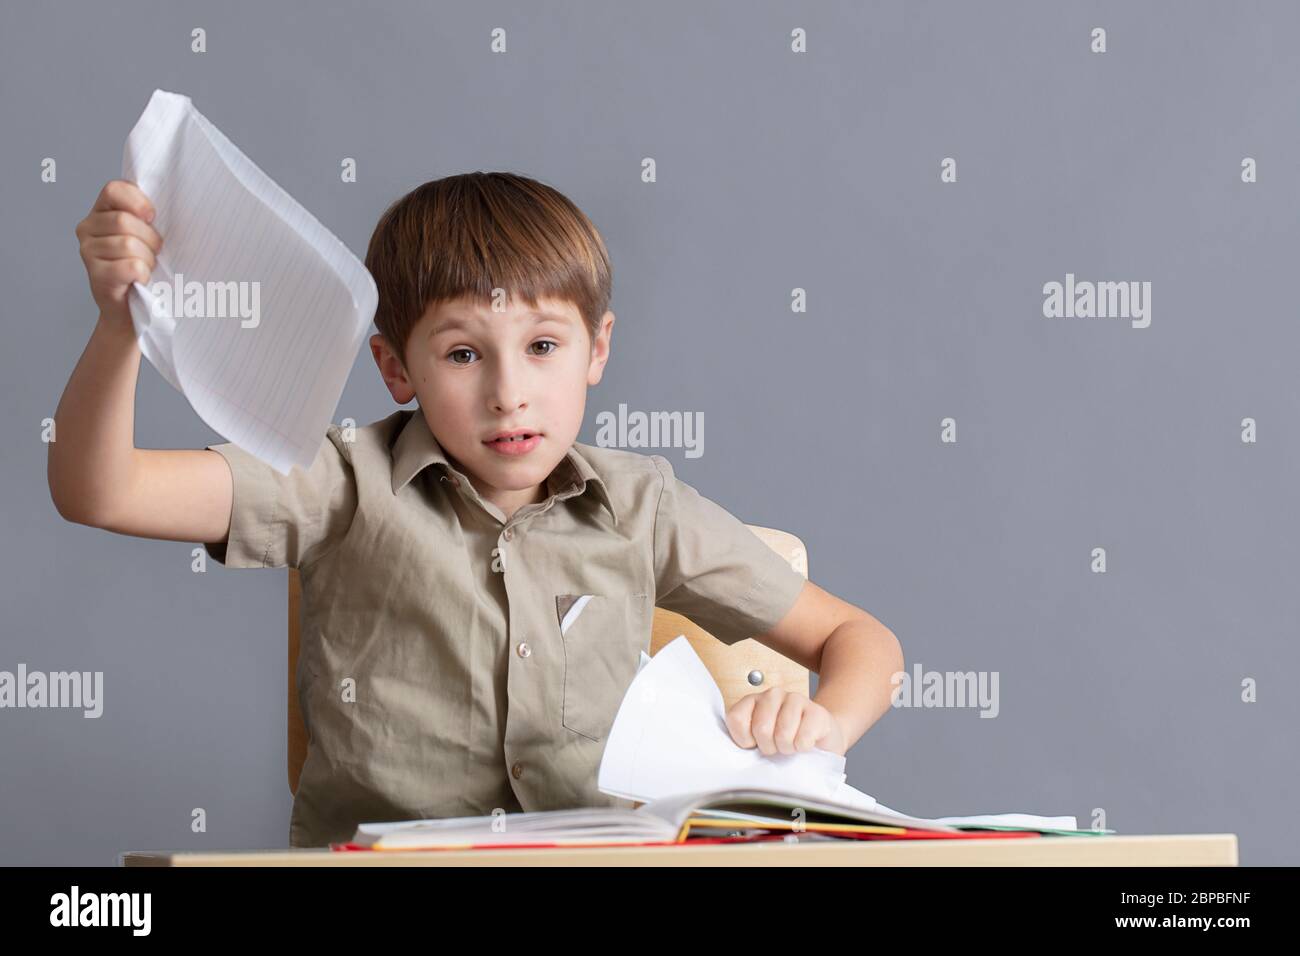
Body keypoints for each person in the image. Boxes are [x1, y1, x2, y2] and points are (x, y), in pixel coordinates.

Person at [49, 172, 903, 847]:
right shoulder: (343, 482)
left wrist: (822, 722)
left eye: (542, 347)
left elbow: (861, 643)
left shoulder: (642, 506)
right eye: (462, 353)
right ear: (397, 370)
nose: (508, 394)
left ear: (596, 348)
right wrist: (121, 326)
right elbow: (101, 490)